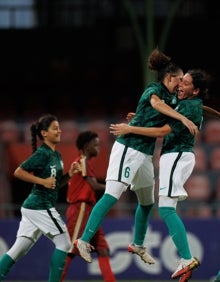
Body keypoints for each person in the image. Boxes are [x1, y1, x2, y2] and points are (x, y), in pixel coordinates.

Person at [73, 48, 199, 266]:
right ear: (170, 77)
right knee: (113, 195)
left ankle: (138, 245)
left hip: (145, 154)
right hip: (128, 149)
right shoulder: (154, 89)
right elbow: (156, 105)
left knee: (147, 202)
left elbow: (161, 112)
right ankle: (83, 240)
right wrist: (183, 119)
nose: (181, 84)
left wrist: (138, 117)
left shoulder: (172, 97)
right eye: (179, 79)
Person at [109, 69, 213, 281]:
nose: (180, 86)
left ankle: (186, 258)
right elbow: (165, 112)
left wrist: (131, 129)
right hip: (175, 156)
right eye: (180, 81)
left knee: (165, 209)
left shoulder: (187, 105)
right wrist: (140, 117)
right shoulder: (190, 103)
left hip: (176, 155)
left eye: (185, 83)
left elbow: (161, 131)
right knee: (165, 207)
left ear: (196, 90)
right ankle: (185, 261)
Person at [0, 114, 81, 282]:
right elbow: (18, 172)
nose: (59, 130)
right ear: (44, 133)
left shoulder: (57, 155)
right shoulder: (42, 153)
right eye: (55, 128)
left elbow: (54, 184)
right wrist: (41, 180)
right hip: (40, 205)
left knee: (19, 249)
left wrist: (70, 175)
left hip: (34, 207)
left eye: (59, 127)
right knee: (64, 243)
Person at [61, 131, 116, 282]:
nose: (98, 148)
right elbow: (92, 185)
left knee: (103, 249)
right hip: (80, 209)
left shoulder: (85, 162)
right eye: (95, 144)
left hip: (89, 211)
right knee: (71, 248)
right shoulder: (82, 160)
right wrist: (114, 187)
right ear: (86, 146)